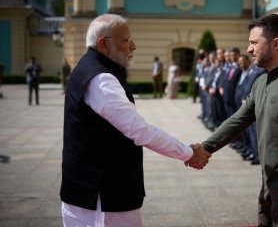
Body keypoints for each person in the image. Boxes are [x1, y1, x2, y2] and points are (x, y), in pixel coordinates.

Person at [60, 14, 211, 227]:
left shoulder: (88, 67)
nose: (133, 46)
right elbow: (140, 130)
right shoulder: (101, 79)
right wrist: (188, 152)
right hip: (102, 197)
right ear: (103, 43)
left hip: (89, 192)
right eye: (125, 40)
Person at [196, 14, 278, 226]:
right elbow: (239, 119)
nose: (249, 49)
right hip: (268, 183)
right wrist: (206, 148)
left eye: (254, 42)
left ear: (276, 43)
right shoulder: (261, 81)